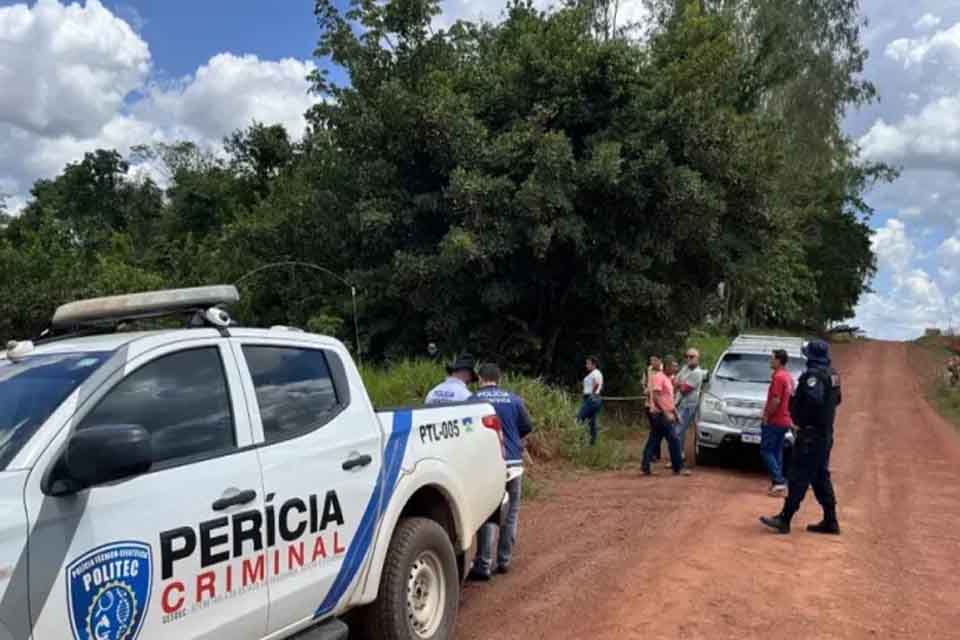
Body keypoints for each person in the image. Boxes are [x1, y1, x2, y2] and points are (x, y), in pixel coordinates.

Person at [760, 340, 842, 534]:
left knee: (798, 476)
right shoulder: (833, 375)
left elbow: (814, 400)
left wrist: (803, 420)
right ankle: (830, 521)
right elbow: (837, 400)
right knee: (820, 477)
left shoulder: (813, 376)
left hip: (811, 436)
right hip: (824, 434)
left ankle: (785, 518)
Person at [468, 363, 534, 580]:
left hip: (486, 466)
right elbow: (526, 427)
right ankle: (504, 560)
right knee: (511, 514)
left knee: (487, 514)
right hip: (513, 462)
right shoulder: (514, 399)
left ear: (480, 378)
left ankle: (483, 564)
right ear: (499, 378)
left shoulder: (472, 401)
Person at [642, 357, 690, 476]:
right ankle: (678, 467)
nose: (676, 368)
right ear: (667, 366)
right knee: (674, 440)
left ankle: (645, 465)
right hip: (660, 414)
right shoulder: (659, 377)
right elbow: (657, 397)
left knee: (654, 439)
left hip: (663, 413)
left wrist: (675, 413)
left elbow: (668, 399)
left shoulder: (668, 378)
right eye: (674, 366)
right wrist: (666, 413)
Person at [760, 349, 794, 497]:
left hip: (776, 419)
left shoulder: (778, 377)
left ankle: (779, 481)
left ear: (779, 360)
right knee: (776, 451)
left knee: (766, 450)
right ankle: (778, 482)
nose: (770, 361)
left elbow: (776, 400)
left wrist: (766, 415)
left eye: (772, 358)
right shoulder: (788, 377)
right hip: (785, 419)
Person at [674, 348, 705, 463]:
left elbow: (684, 389)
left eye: (691, 357)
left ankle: (678, 456)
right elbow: (674, 381)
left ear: (697, 358)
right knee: (679, 430)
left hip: (689, 405)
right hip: (680, 403)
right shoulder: (685, 368)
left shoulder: (697, 372)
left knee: (678, 430)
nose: (688, 359)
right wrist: (678, 384)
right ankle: (679, 454)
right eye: (686, 356)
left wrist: (678, 384)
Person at [577, 356, 604, 446]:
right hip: (594, 399)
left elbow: (596, 384)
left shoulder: (595, 373)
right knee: (592, 422)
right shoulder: (594, 373)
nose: (586, 365)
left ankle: (579, 440)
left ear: (594, 364)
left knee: (579, 418)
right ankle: (592, 443)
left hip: (591, 399)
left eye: (588, 363)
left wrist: (592, 394)